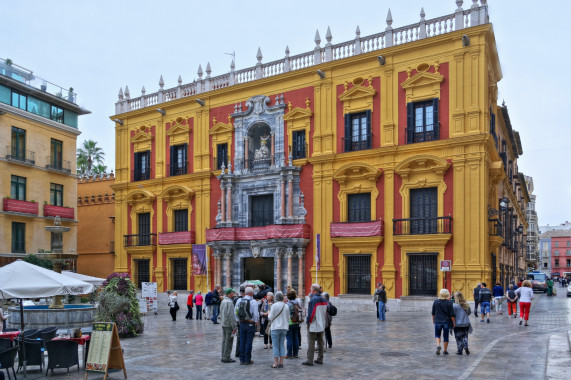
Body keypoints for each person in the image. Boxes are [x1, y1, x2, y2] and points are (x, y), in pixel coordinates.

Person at [302, 284, 327, 366]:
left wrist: (308, 322)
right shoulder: (323, 299)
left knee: (311, 342)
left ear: (313, 290)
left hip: (314, 323)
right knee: (320, 342)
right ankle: (320, 358)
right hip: (322, 323)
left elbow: (312, 313)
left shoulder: (313, 300)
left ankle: (310, 360)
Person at [234, 287, 260, 365]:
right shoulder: (254, 302)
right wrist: (256, 322)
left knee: (242, 341)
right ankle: (247, 360)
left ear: (245, 293)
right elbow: (256, 313)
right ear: (252, 293)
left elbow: (235, 311)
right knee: (249, 341)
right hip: (250, 323)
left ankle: (242, 359)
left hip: (242, 323)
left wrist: (238, 320)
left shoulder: (239, 300)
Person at [268, 291, 290, 369]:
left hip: (275, 328)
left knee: (275, 346)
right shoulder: (286, 306)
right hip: (284, 327)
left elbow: (270, 317)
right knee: (281, 345)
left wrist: (268, 313)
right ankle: (281, 362)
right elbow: (288, 318)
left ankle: (276, 363)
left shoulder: (274, 306)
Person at [431, 288, 455, 355]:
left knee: (437, 335)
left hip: (438, 321)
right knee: (446, 336)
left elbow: (433, 313)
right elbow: (452, 314)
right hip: (446, 322)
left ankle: (438, 345)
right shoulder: (449, 302)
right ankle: (445, 350)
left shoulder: (436, 302)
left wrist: (433, 320)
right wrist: (454, 322)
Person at [220, 288, 237, 363]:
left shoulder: (223, 301)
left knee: (224, 340)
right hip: (229, 324)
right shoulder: (229, 302)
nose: (233, 294)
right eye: (232, 293)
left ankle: (223, 356)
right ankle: (226, 357)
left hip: (224, 323)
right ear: (230, 294)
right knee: (228, 341)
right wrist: (234, 326)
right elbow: (231, 315)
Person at [286, 289, 302, 359]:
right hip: (296, 322)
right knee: (295, 337)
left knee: (289, 338)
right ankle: (295, 354)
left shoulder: (287, 304)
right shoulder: (297, 303)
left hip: (289, 323)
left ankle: (289, 354)